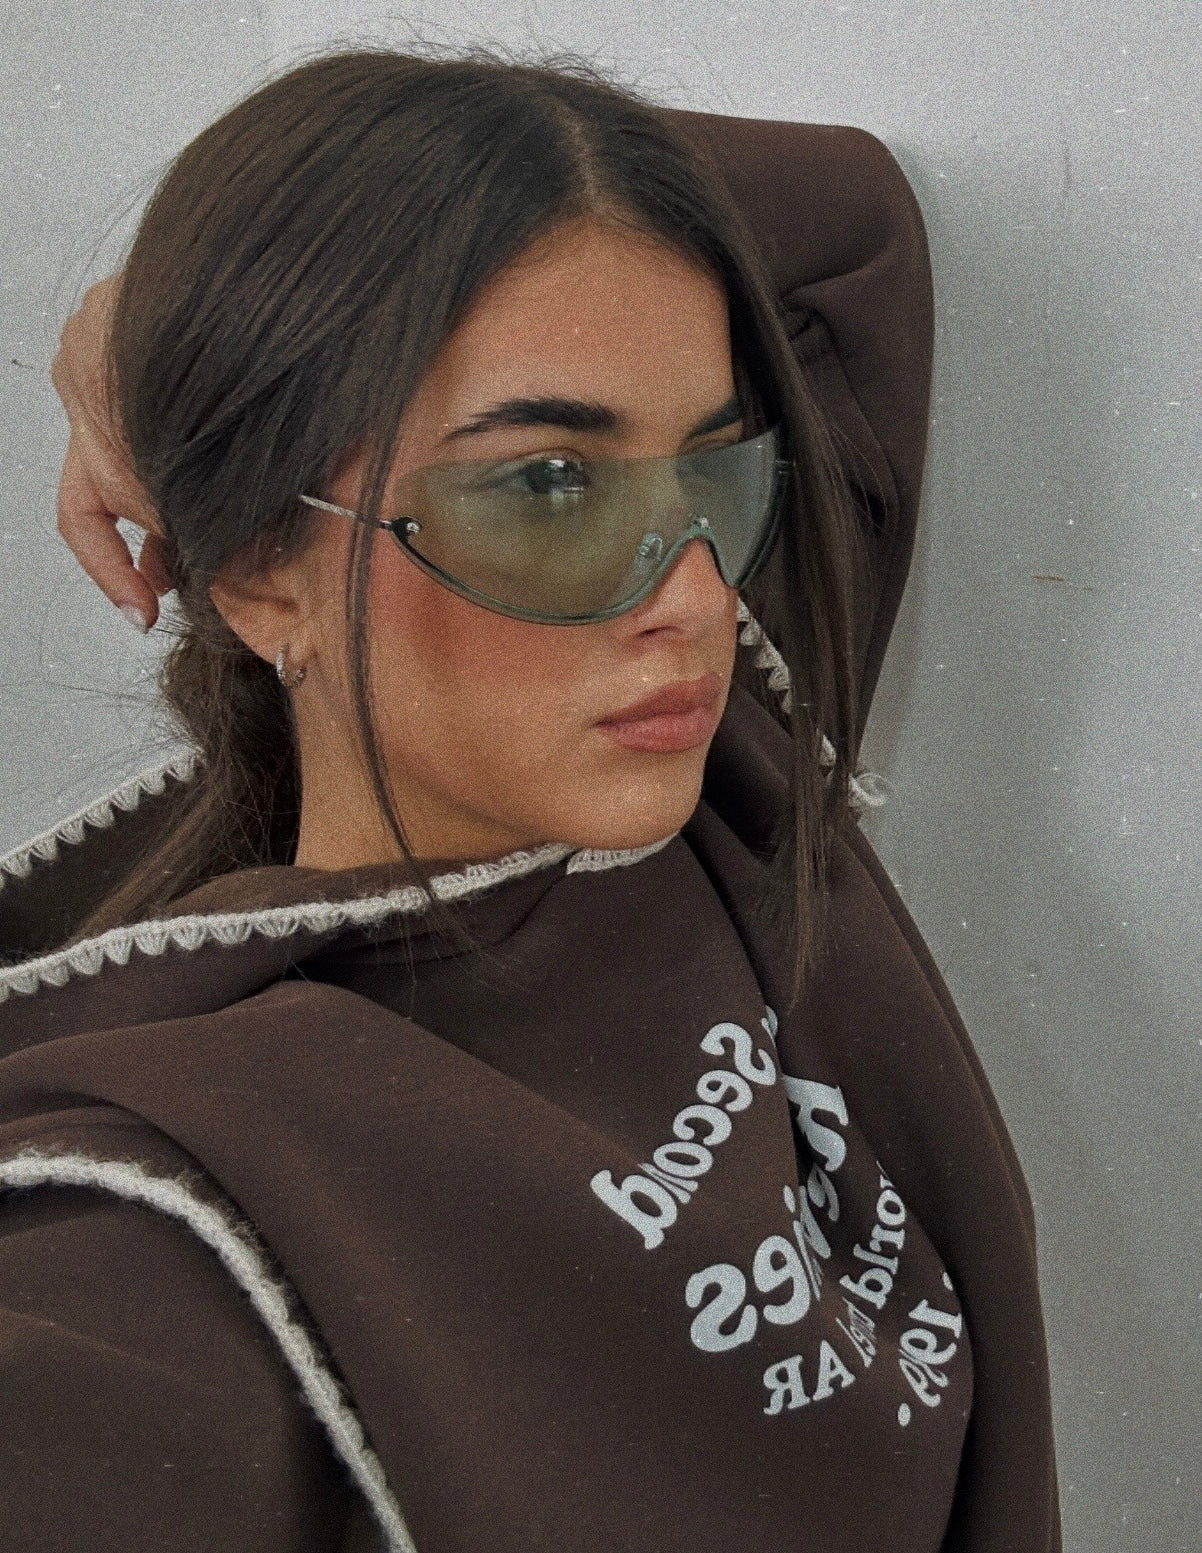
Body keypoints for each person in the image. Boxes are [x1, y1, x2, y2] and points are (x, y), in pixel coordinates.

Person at [0, 44, 1060, 1553]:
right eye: (549, 486)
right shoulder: (156, 1216)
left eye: (711, 471)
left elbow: (842, 225)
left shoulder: (728, 772)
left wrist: (167, 319)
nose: (692, 596)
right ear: (255, 568)